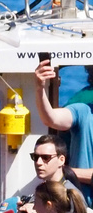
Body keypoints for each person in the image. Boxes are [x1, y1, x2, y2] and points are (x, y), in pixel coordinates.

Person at [33, 60, 93, 191]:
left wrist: (61, 170)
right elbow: (50, 119)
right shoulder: (84, 112)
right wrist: (39, 88)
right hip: (81, 208)